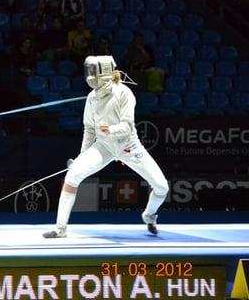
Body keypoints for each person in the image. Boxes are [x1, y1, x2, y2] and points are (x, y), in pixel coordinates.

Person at [43, 56, 169, 238]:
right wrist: (82, 155)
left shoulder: (124, 93)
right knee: (73, 175)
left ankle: (149, 215)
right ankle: (60, 228)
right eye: (89, 71)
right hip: (104, 146)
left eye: (93, 71)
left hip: (129, 147)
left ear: (104, 71)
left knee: (162, 187)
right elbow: (89, 128)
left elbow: (127, 126)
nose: (89, 75)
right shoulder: (92, 97)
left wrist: (110, 130)